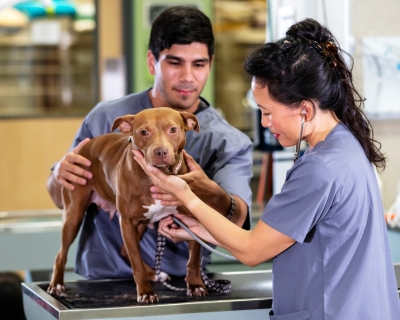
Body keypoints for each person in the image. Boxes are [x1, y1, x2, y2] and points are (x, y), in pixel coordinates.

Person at [133, 18, 400, 319]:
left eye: (267, 112)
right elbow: (270, 239)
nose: (263, 123)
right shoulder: (346, 146)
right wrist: (199, 229)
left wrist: (187, 196)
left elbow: (253, 251)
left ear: (305, 109)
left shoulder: (320, 169)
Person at [46, 6, 253, 280]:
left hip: (182, 282)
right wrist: (60, 174)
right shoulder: (106, 119)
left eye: (199, 64)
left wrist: (208, 192)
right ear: (152, 62)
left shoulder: (228, 141)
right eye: (175, 62)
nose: (188, 77)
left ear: (210, 65)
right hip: (102, 280)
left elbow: (238, 221)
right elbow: (60, 198)